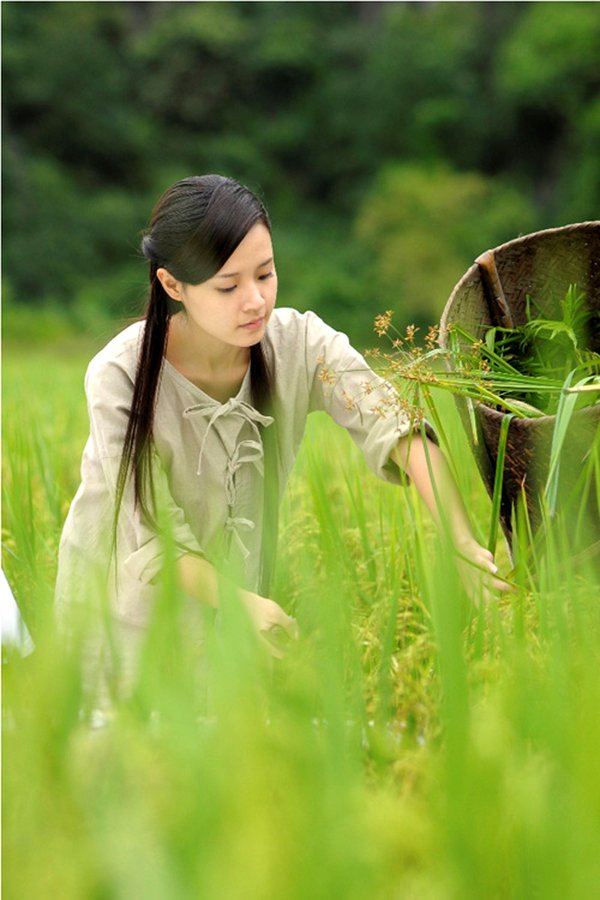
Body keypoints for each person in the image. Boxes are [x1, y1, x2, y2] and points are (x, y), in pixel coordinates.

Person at [55, 174, 506, 694]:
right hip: (120, 618)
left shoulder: (299, 345)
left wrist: (459, 538)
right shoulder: (121, 375)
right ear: (172, 285)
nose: (255, 302)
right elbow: (155, 538)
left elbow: (395, 423)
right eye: (227, 286)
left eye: (265, 275)